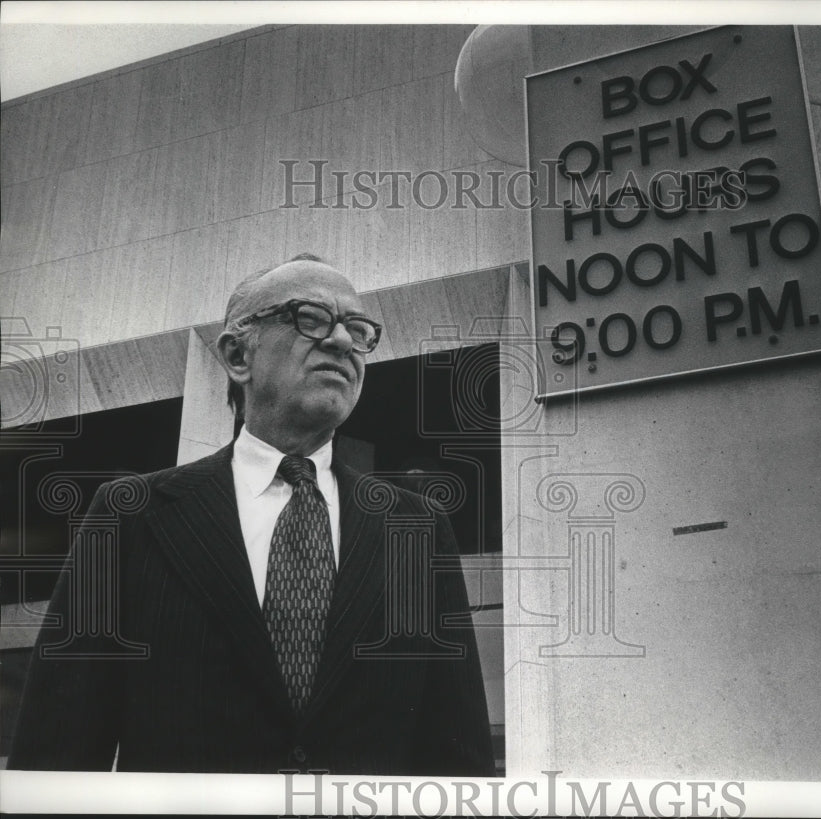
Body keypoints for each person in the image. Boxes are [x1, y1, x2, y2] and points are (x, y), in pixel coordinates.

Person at [10, 253, 496, 775]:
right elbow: (54, 750)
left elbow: (458, 759)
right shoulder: (131, 515)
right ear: (238, 354)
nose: (340, 342)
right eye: (310, 318)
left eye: (358, 329)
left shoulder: (418, 528)